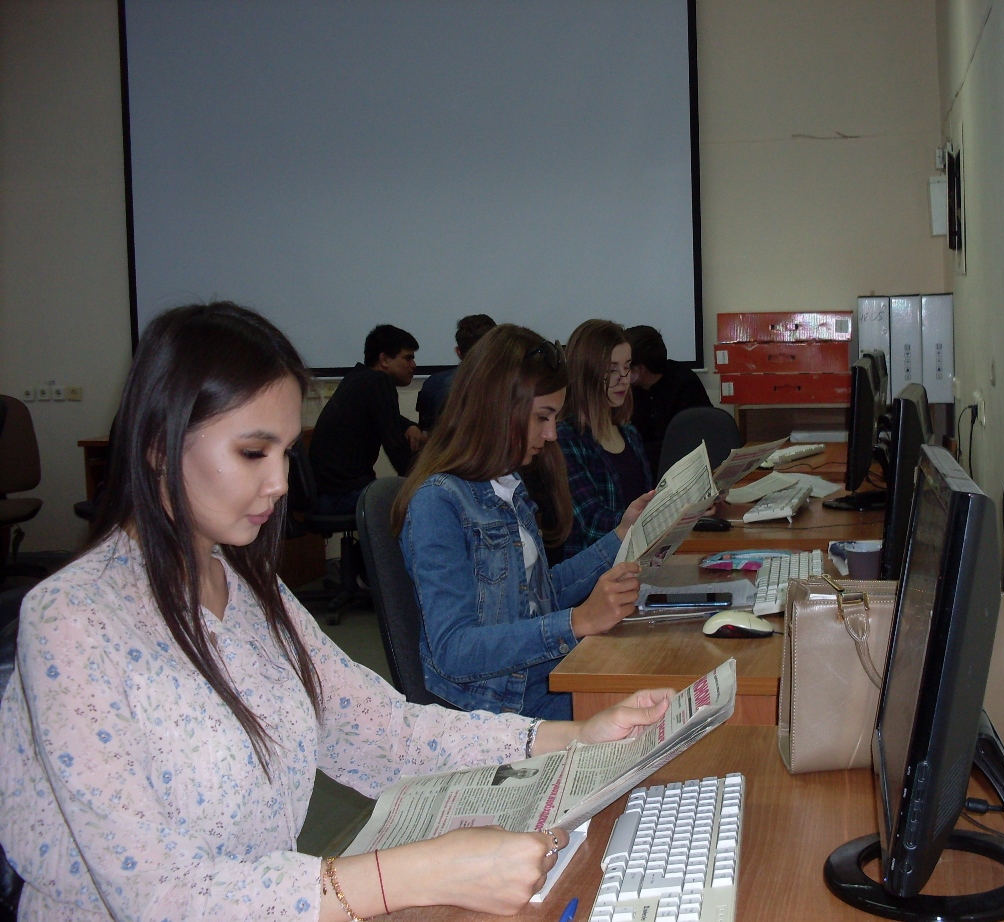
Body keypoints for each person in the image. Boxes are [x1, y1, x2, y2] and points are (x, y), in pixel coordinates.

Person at [0, 302, 672, 921]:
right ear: (158, 444)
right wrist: (419, 874)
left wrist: (572, 738)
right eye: (252, 452)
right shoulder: (74, 621)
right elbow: (159, 895)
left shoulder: (247, 588)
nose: (280, 483)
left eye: (285, 453)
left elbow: (379, 730)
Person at [396, 324, 652, 720]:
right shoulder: (438, 503)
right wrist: (576, 621)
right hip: (503, 705)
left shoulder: (506, 485)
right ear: (498, 408)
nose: (551, 434)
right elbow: (453, 650)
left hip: (543, 675)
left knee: (666, 679)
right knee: (656, 707)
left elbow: (539, 594)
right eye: (542, 417)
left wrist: (622, 534)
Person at [555, 320, 654, 560]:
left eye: (627, 367)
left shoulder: (629, 433)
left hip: (638, 562)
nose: (624, 379)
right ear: (585, 373)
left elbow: (645, 500)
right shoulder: (565, 439)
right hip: (595, 573)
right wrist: (653, 516)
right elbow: (592, 523)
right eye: (611, 370)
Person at [308, 324, 425, 516]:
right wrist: (423, 482)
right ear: (384, 360)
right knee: (427, 502)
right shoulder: (379, 382)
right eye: (408, 358)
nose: (414, 365)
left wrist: (410, 426)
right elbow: (396, 448)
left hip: (325, 495)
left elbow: (386, 417)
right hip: (341, 497)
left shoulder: (358, 378)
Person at [625, 324, 713, 475]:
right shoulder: (628, 389)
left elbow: (688, 444)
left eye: (626, 366)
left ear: (640, 369)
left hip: (684, 470)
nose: (621, 373)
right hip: (643, 468)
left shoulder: (685, 384)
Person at [415, 313, 497, 432]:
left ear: (458, 352)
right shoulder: (516, 384)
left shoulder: (433, 385)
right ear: (498, 349)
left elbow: (426, 429)